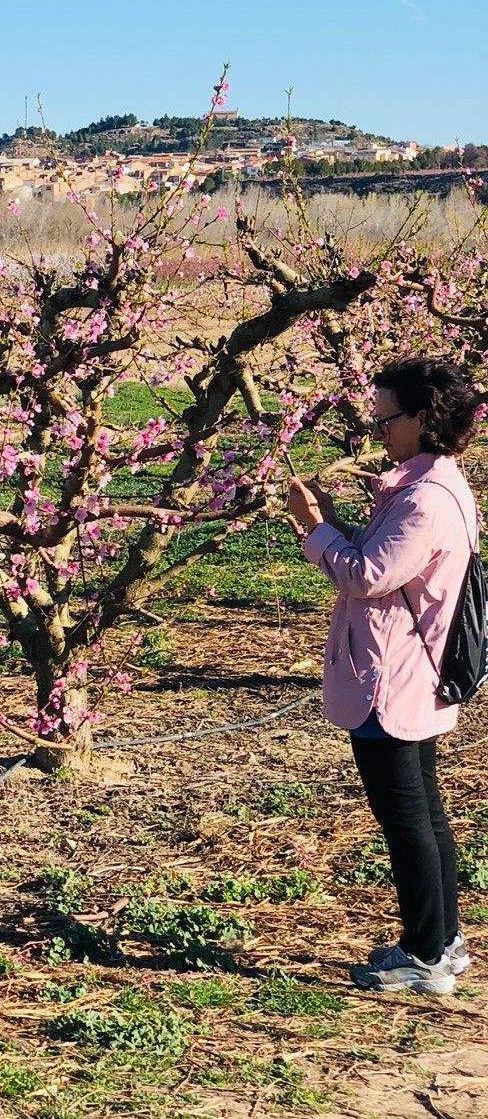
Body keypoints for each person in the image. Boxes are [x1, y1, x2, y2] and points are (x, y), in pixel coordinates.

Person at [288, 356, 480, 996]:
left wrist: (315, 532)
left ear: (422, 420)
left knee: (406, 822)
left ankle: (424, 955)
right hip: (405, 675)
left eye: (387, 418)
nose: (377, 429)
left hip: (388, 684)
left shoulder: (424, 502)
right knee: (423, 813)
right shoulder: (433, 485)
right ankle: (443, 939)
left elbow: (367, 574)